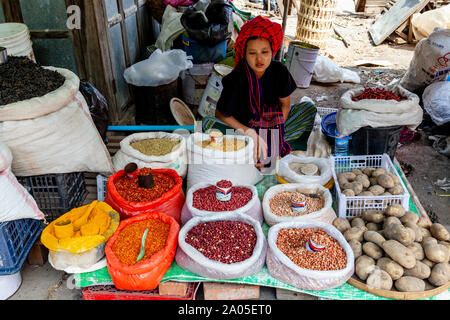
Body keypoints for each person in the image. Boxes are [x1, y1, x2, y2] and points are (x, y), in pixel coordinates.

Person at [215, 16, 301, 171]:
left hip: (274, 121)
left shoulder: (280, 71)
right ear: (245, 54)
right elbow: (221, 114)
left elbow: (285, 106)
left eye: (264, 52)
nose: (259, 58)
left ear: (272, 51)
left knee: (307, 109)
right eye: (252, 53)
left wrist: (275, 133)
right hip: (244, 125)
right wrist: (250, 134)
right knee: (210, 126)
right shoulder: (236, 78)